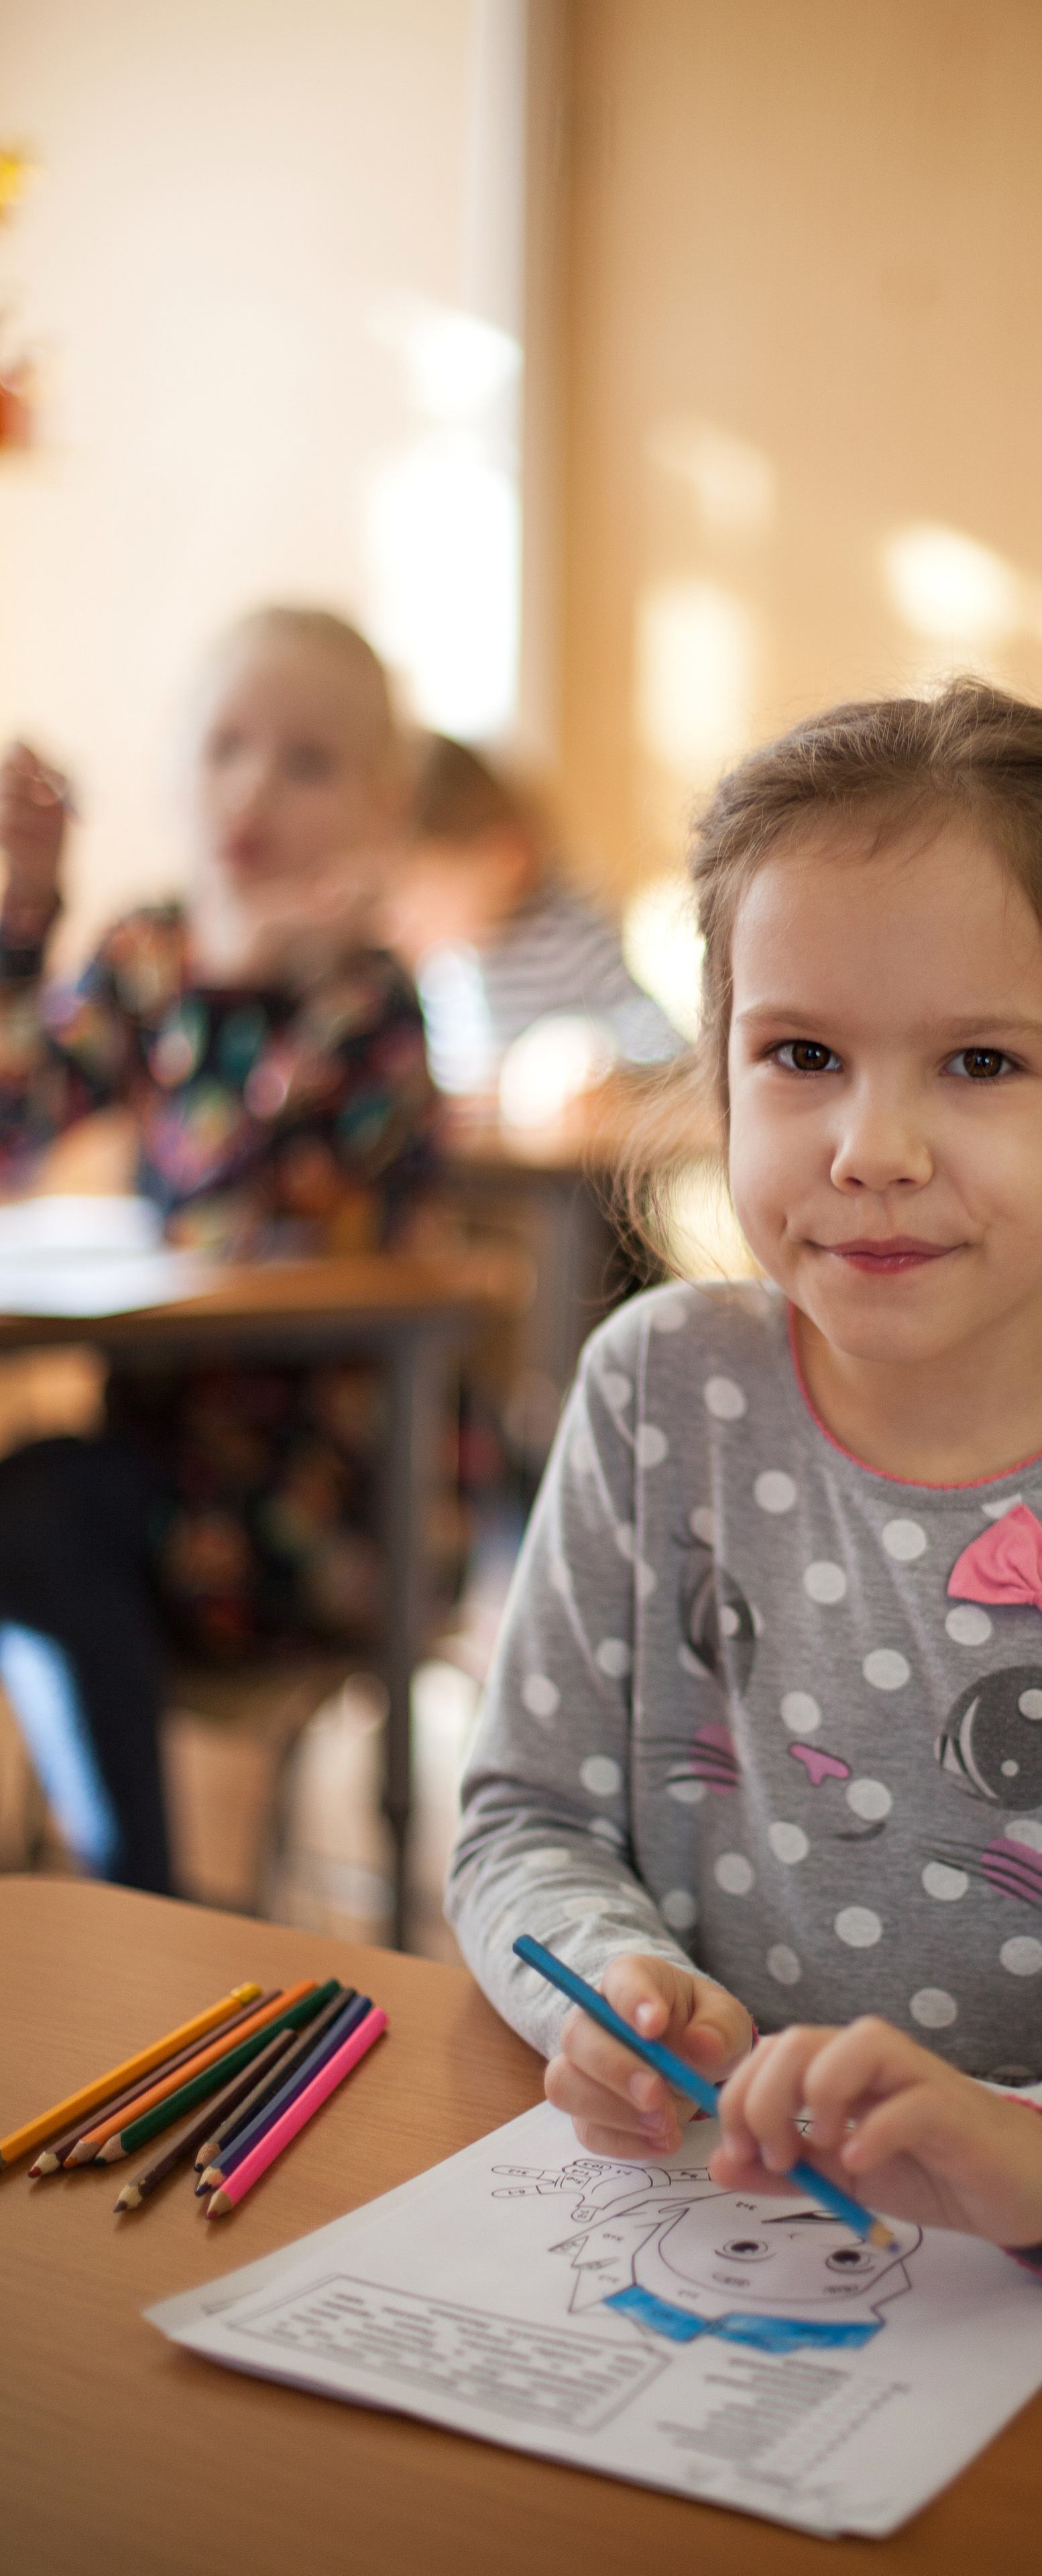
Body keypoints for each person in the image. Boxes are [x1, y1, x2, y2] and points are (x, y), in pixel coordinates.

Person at [447, 681, 1042, 2272]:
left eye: (976, 1062)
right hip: (695, 2234)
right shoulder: (658, 1387)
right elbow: (522, 1821)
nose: (871, 1144)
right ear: (722, 1071)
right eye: (801, 1052)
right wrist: (613, 1982)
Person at [0, 606, 436, 1892]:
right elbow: (16, 1122)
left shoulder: (370, 999)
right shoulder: (147, 952)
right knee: (38, 1509)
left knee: (35, 1516)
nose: (255, 790)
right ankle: (130, 1885)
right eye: (227, 748)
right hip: (154, 1465)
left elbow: (234, 1207)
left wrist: (258, 975)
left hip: (322, 1496)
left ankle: (142, 1896)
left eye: (308, 764)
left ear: (381, 808)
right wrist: (26, 922)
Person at [382, 733, 683, 1097]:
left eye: (417, 897)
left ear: (504, 860)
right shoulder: (442, 966)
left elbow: (670, 1052)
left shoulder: (570, 938)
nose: (393, 923)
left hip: (571, 1154)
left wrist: (597, 1060)